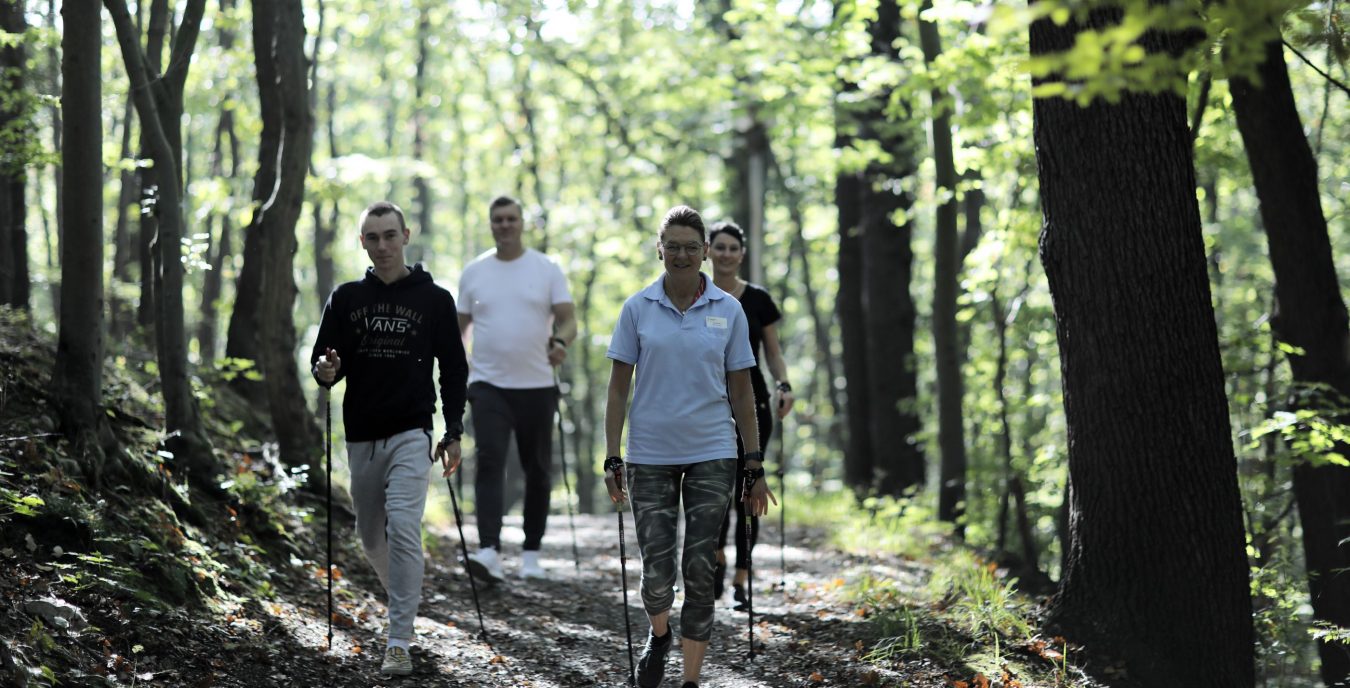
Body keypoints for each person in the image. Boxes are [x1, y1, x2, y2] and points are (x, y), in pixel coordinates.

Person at [603, 205, 776, 688]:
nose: (681, 254)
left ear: (704, 252)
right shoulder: (637, 307)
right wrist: (612, 454)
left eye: (690, 247)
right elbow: (618, 388)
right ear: (660, 250)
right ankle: (659, 637)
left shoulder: (729, 309)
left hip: (713, 451)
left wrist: (753, 463)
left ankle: (691, 681)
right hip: (649, 454)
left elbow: (742, 392)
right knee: (657, 573)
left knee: (699, 567)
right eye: (672, 246)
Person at [310, 201, 469, 677]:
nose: (382, 245)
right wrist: (326, 371)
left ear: (406, 236)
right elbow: (324, 364)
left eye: (389, 235)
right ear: (363, 242)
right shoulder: (346, 298)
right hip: (361, 434)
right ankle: (405, 599)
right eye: (372, 237)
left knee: (403, 525)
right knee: (369, 535)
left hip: (411, 430)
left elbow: (454, 370)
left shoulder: (435, 300)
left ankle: (398, 639)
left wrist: (454, 429)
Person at [457, 195, 577, 583]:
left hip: (538, 385)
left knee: (537, 469)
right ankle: (488, 549)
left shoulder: (546, 268)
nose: (504, 225)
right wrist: (455, 373)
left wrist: (560, 344)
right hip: (488, 384)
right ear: (490, 224)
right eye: (497, 220)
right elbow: (458, 329)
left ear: (522, 223)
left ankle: (531, 553)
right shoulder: (474, 271)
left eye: (511, 219)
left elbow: (569, 319)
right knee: (490, 459)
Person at [706, 220, 795, 608]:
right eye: (719, 247)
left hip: (754, 401)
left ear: (742, 254)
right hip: (707, 401)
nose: (726, 254)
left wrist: (784, 384)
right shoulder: (696, 294)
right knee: (712, 489)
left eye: (733, 248)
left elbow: (773, 351)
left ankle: (743, 576)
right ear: (708, 251)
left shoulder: (758, 299)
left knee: (749, 487)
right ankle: (715, 561)